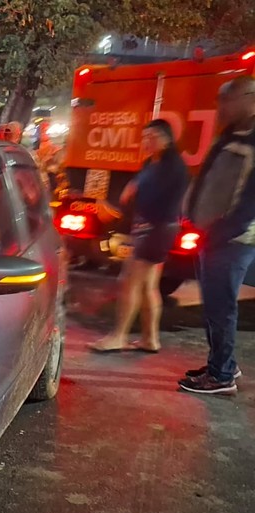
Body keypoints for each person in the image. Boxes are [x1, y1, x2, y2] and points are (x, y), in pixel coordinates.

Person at [178, 75, 255, 395]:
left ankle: (221, 376)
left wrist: (221, 232)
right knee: (214, 307)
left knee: (221, 308)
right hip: (212, 237)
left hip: (231, 242)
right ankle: (222, 364)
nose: (220, 107)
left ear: (249, 98)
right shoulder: (229, 135)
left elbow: (249, 202)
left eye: (227, 100)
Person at [89, 119, 189, 353]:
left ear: (167, 139)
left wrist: (133, 196)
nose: (147, 141)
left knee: (128, 282)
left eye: (153, 136)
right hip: (149, 228)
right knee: (147, 286)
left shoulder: (173, 165)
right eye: (145, 137)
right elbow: (134, 193)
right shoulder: (150, 164)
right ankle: (149, 339)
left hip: (157, 229)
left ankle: (119, 336)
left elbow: (156, 199)